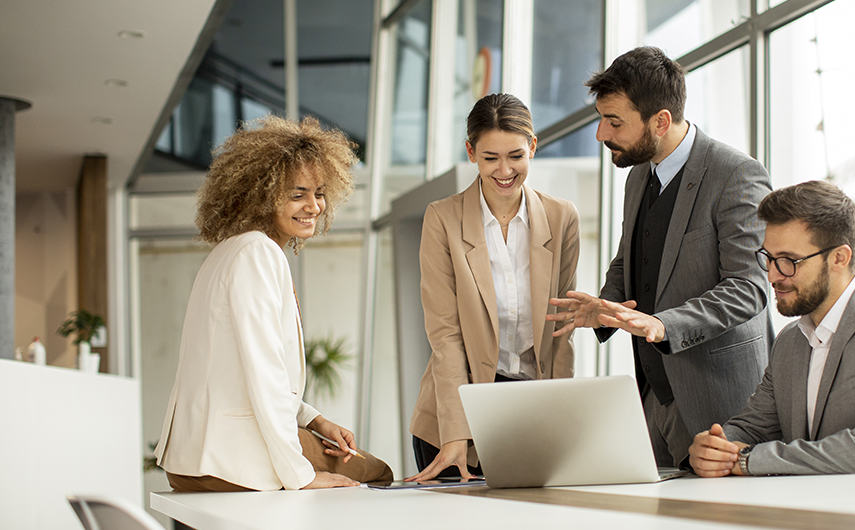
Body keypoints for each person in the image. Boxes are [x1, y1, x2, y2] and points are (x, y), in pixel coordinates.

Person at [548, 46, 772, 467]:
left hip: (721, 401)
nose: (601, 134)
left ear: (661, 120)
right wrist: (604, 305)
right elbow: (630, 257)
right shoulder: (638, 176)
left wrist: (662, 324)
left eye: (614, 122)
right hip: (654, 395)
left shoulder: (736, 174)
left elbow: (749, 288)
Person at [153, 115, 393, 492]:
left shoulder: (229, 251)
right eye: (297, 194)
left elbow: (239, 371)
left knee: (354, 461)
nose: (313, 206)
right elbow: (264, 373)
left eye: (319, 193)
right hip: (231, 460)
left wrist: (314, 421)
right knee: (377, 472)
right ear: (261, 194)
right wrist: (302, 476)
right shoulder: (257, 253)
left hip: (191, 459)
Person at [689, 180, 855, 477]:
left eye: (789, 261)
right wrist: (715, 447)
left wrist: (748, 460)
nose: (772, 275)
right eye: (768, 258)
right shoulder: (790, 341)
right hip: (822, 512)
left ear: (839, 258)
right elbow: (752, 426)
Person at [406, 93, 580, 481]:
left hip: (531, 410)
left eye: (516, 156)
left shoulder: (561, 217)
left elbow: (561, 329)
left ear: (533, 147)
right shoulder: (443, 219)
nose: (505, 170)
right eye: (490, 158)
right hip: (456, 413)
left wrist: (562, 420)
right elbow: (445, 335)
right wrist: (456, 433)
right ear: (470, 152)